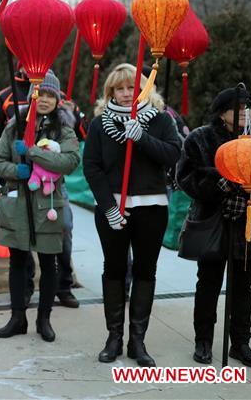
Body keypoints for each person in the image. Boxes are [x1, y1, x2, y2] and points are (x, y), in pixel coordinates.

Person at [83, 63, 181, 367]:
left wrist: (142, 138)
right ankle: (114, 337)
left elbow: (173, 154)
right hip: (114, 209)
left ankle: (137, 341)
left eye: (133, 88)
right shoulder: (100, 124)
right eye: (120, 88)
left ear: (144, 89)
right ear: (110, 92)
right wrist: (108, 207)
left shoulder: (161, 120)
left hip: (151, 209)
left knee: (144, 271)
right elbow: (92, 167)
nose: (127, 94)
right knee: (113, 270)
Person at [176, 85, 251, 368]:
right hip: (212, 224)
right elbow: (185, 175)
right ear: (222, 112)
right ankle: (203, 340)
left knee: (243, 289)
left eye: (248, 106)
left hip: (249, 228)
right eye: (237, 107)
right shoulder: (200, 139)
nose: (244, 112)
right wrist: (218, 185)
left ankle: (240, 343)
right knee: (208, 285)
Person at [0, 68, 87, 308]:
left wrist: (33, 152)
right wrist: (12, 172)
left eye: (51, 95)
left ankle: (62, 288)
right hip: (20, 196)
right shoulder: (12, 118)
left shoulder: (63, 126)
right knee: (19, 252)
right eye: (40, 94)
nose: (45, 99)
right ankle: (21, 301)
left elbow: (71, 159)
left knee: (59, 242)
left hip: (51, 197)